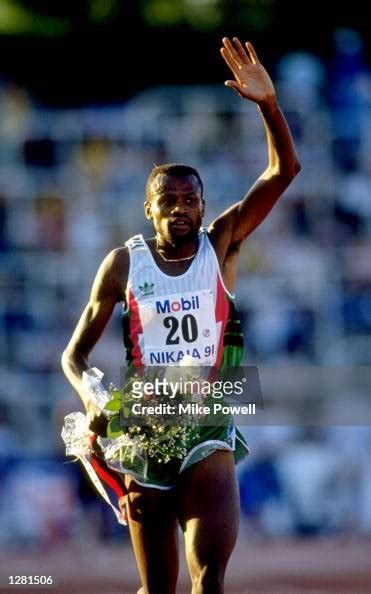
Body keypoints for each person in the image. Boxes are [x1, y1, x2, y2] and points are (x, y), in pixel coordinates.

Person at [61, 36, 300, 594]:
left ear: (202, 203)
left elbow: (285, 170)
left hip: (209, 423)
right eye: (168, 202)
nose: (182, 210)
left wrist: (268, 103)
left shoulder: (224, 245)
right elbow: (73, 355)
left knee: (209, 578)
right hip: (147, 426)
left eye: (190, 200)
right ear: (149, 208)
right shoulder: (124, 264)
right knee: (157, 588)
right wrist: (92, 394)